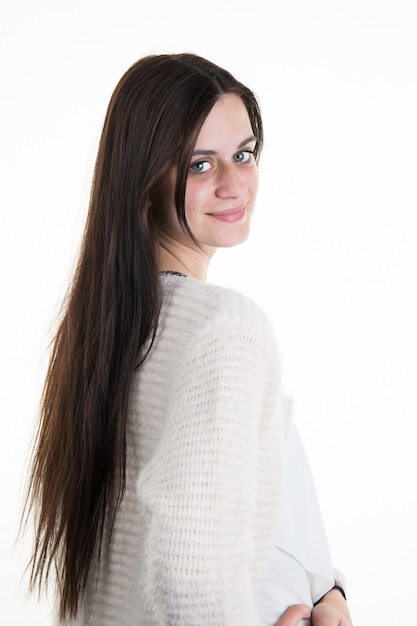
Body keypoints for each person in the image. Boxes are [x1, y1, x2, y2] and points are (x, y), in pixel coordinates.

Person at [23, 53, 353, 625]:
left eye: (244, 154)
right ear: (147, 181)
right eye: (200, 165)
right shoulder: (224, 329)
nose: (235, 183)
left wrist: (327, 592)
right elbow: (190, 571)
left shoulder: (103, 335)